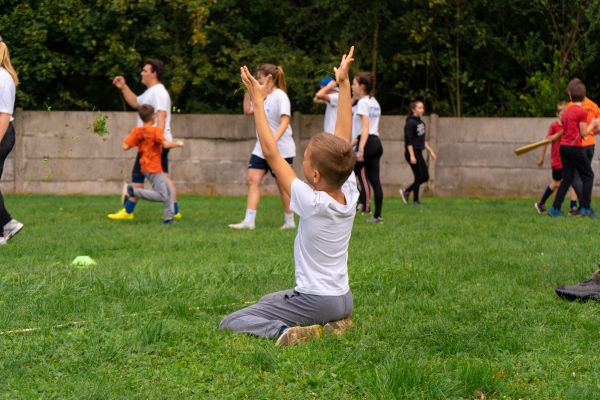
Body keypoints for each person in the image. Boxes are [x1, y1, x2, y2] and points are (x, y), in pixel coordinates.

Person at [220, 47, 357, 347]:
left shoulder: (312, 201)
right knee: (268, 298)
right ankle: (338, 322)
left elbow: (271, 152)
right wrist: (344, 84)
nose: (302, 160)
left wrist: (258, 101)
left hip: (317, 301)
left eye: (306, 157)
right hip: (342, 298)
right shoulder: (350, 190)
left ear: (316, 175)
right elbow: (343, 139)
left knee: (231, 321)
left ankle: (286, 331)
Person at [108, 59, 182, 220]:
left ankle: (129, 211)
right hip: (152, 142)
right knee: (153, 175)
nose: (142, 73)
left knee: (141, 175)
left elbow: (161, 116)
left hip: (154, 143)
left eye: (145, 70)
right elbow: (136, 102)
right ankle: (173, 210)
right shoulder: (151, 92)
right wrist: (123, 87)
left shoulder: (159, 92)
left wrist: (156, 141)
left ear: (154, 73)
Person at [229, 64, 296, 230]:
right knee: (253, 179)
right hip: (261, 148)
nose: (257, 79)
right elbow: (247, 110)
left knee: (283, 185)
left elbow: (285, 120)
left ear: (269, 78)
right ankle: (249, 221)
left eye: (259, 77)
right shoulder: (263, 95)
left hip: (281, 148)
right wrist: (248, 90)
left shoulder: (280, 96)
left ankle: (289, 221)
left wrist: (272, 141)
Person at [122, 105, 184, 223]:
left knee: (169, 190)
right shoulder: (156, 131)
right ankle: (133, 192)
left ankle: (168, 218)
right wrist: (178, 143)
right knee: (162, 195)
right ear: (152, 117)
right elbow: (165, 145)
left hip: (145, 166)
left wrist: (139, 142)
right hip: (153, 168)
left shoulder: (137, 131)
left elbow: (125, 146)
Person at [548, 79, 595, 217]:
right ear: (584, 96)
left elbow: (567, 129)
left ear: (570, 96)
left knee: (567, 178)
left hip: (563, 147)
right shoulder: (582, 112)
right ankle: (585, 208)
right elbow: (583, 133)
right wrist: (592, 124)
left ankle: (555, 209)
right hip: (575, 148)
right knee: (588, 175)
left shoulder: (567, 111)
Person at [534, 101, 578, 214]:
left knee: (573, 182)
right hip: (557, 160)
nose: (564, 115)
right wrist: (541, 157)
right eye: (561, 113)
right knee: (556, 183)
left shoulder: (570, 125)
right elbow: (545, 142)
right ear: (557, 114)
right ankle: (541, 203)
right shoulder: (554, 126)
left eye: (566, 112)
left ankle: (573, 208)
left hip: (568, 159)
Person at [0, 36, 23, 245]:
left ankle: (4, 227)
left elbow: (5, 114)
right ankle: (5, 225)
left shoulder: (3, 77)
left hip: (2, 133)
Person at [351, 72, 383, 222]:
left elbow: (365, 128)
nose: (352, 86)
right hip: (376, 142)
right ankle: (377, 216)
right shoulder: (374, 102)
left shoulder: (363, 103)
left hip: (367, 143)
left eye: (354, 84)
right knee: (375, 181)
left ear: (362, 87)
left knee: (347, 176)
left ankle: (351, 206)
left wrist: (361, 149)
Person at [567, 79, 600, 211]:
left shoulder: (571, 106)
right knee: (584, 176)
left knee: (573, 176)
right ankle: (582, 206)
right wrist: (592, 133)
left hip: (577, 145)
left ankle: (584, 205)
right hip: (590, 145)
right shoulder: (593, 105)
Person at [400, 101, 437, 206]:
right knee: (418, 176)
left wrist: (431, 151)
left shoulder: (421, 123)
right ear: (413, 109)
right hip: (412, 152)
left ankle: (407, 191)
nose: (422, 110)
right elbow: (409, 141)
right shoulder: (410, 123)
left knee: (425, 176)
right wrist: (411, 155)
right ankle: (415, 200)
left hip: (419, 152)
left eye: (423, 108)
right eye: (420, 108)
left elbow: (422, 141)